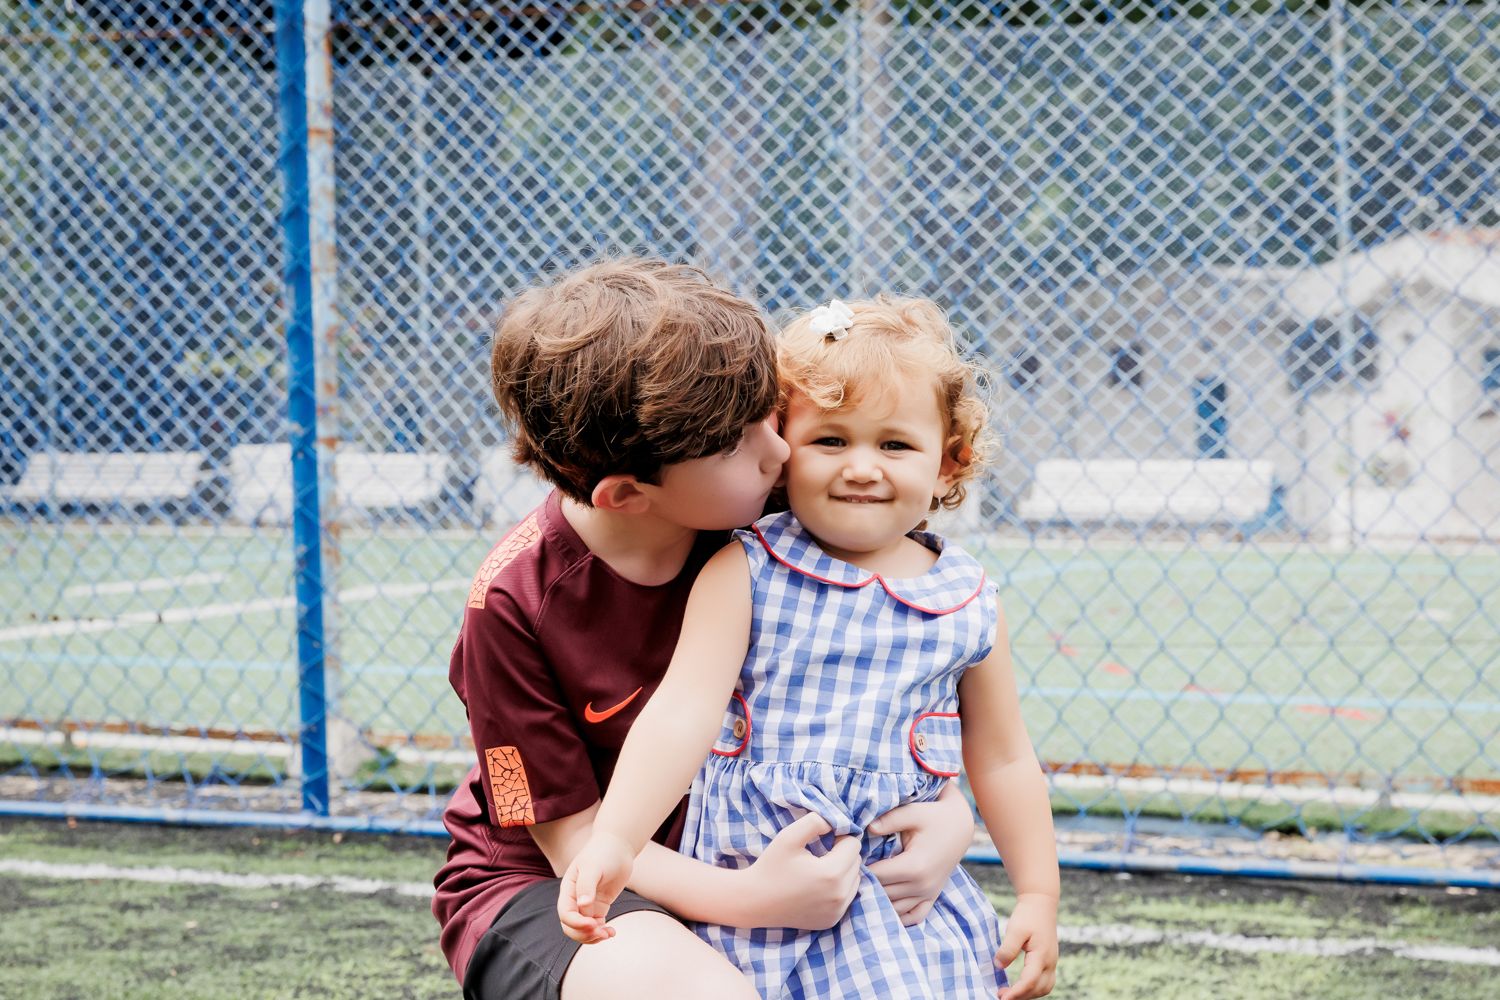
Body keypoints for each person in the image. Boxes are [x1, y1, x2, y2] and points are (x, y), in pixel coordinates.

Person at [432, 260, 982, 1000]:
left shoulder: (775, 520)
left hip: (752, 851)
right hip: (568, 887)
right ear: (628, 494)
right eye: (738, 443)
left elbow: (899, 685)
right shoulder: (511, 606)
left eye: (769, 411)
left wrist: (951, 818)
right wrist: (759, 901)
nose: (780, 449)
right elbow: (575, 847)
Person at [559, 296, 1061, 999]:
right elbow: (683, 713)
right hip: (760, 873)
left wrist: (1038, 893)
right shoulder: (749, 568)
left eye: (894, 444)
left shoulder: (967, 599)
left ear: (951, 464)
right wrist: (616, 841)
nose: (861, 467)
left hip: (902, 891)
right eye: (831, 440)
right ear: (784, 447)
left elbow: (1004, 755)